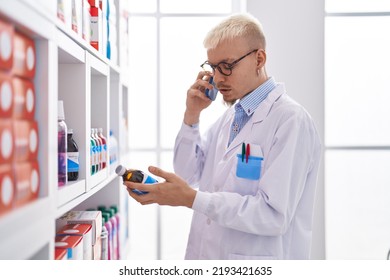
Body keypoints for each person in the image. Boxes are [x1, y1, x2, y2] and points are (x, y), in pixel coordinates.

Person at [124, 13, 322, 260]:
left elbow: (273, 216)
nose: (217, 78)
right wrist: (191, 115)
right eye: (213, 67)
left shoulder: (291, 121)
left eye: (227, 66)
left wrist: (193, 200)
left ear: (259, 58)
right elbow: (188, 174)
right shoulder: (230, 119)